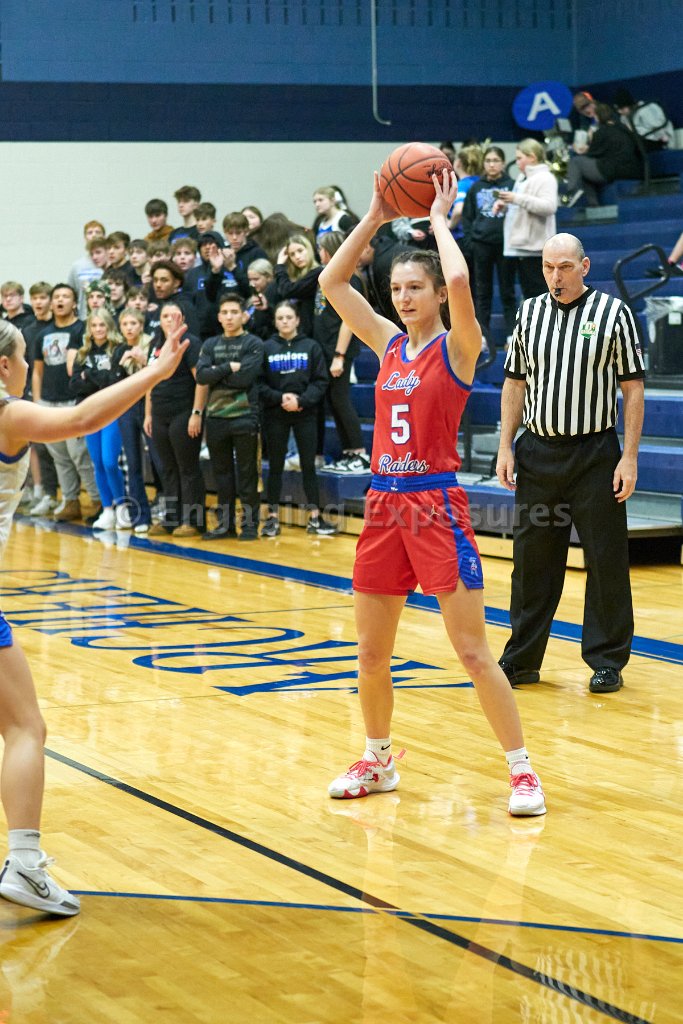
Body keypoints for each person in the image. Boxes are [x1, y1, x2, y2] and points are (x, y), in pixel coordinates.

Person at [318, 168, 545, 816]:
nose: (404, 296)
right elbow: (332, 283)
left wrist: (440, 221)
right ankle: (378, 758)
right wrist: (372, 215)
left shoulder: (458, 347)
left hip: (435, 505)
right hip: (382, 504)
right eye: (396, 288)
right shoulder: (388, 344)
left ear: (436, 294)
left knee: (472, 650)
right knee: (370, 652)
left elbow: (462, 280)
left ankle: (522, 771)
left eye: (415, 286)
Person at [0, 314, 188, 916]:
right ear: (5, 365)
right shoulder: (7, 415)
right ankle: (24, 864)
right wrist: (154, 373)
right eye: (23, 357)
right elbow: (81, 418)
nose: (27, 367)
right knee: (25, 729)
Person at [496, 232, 645, 695]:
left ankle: (607, 660)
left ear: (584, 266)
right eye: (547, 267)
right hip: (538, 453)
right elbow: (514, 383)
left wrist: (629, 457)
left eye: (563, 267)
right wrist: (505, 446)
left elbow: (633, 388)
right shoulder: (528, 313)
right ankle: (521, 660)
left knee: (605, 560)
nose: (555, 276)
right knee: (531, 563)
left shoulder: (613, 313)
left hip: (594, 455)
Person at [259, 301, 336, 538]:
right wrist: (280, 397)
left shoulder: (311, 346)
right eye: (280, 318)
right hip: (275, 414)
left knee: (308, 466)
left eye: (289, 317)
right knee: (275, 467)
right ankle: (272, 518)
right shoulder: (266, 347)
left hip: (305, 414)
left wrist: (301, 401)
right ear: (275, 322)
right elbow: (259, 384)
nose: (285, 322)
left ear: (297, 320)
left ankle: (315, 518)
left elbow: (321, 381)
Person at [196, 294, 264, 540]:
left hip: (245, 417)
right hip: (215, 418)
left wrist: (216, 372)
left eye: (234, 312)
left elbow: (244, 378)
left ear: (244, 316)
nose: (229, 317)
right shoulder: (210, 344)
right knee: (222, 475)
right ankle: (225, 525)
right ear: (218, 317)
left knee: (247, 474)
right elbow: (201, 376)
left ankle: (249, 526)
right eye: (224, 312)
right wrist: (228, 368)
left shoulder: (253, 343)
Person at [31, 284, 101, 522]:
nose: (60, 300)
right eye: (57, 296)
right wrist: (37, 402)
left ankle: (98, 501)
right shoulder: (42, 334)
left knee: (80, 455)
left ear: (74, 303)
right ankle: (70, 501)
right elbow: (37, 371)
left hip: (73, 401)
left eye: (66, 296)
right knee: (59, 456)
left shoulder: (82, 329)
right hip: (48, 402)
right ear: (52, 303)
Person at [145, 302, 207, 538]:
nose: (170, 320)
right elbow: (149, 380)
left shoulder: (190, 343)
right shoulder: (155, 345)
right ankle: (171, 519)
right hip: (159, 413)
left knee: (187, 467)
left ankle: (193, 521)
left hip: (183, 412)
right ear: (159, 320)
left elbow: (201, 380)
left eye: (175, 315)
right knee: (167, 468)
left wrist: (197, 413)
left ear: (183, 319)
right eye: (165, 316)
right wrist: (148, 414)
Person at [314, 231, 370, 474]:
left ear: (331, 250)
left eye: (322, 248)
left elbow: (349, 320)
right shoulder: (329, 276)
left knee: (340, 400)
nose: (319, 253)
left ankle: (360, 454)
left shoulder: (350, 279)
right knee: (334, 402)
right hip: (326, 349)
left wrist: (339, 355)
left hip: (338, 351)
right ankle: (349, 453)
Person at [461, 146, 518, 341]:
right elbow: (467, 217)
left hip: (505, 245)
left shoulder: (512, 185)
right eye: (488, 161)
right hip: (481, 245)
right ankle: (482, 337)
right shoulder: (476, 187)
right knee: (482, 293)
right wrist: (470, 243)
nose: (492, 164)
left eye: (496, 160)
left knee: (508, 291)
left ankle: (512, 335)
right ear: (483, 164)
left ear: (503, 163)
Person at [494, 139, 558, 299]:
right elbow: (521, 206)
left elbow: (549, 207)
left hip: (535, 248)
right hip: (522, 246)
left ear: (532, 157)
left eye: (519, 158)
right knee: (529, 294)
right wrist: (505, 205)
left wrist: (516, 198)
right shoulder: (522, 178)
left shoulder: (546, 178)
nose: (517, 162)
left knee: (538, 294)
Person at [563, 103, 644, 208]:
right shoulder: (623, 128)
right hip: (633, 169)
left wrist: (582, 150)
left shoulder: (601, 132)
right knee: (584, 173)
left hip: (613, 169)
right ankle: (593, 204)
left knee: (576, 162)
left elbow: (592, 154)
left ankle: (571, 194)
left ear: (598, 117)